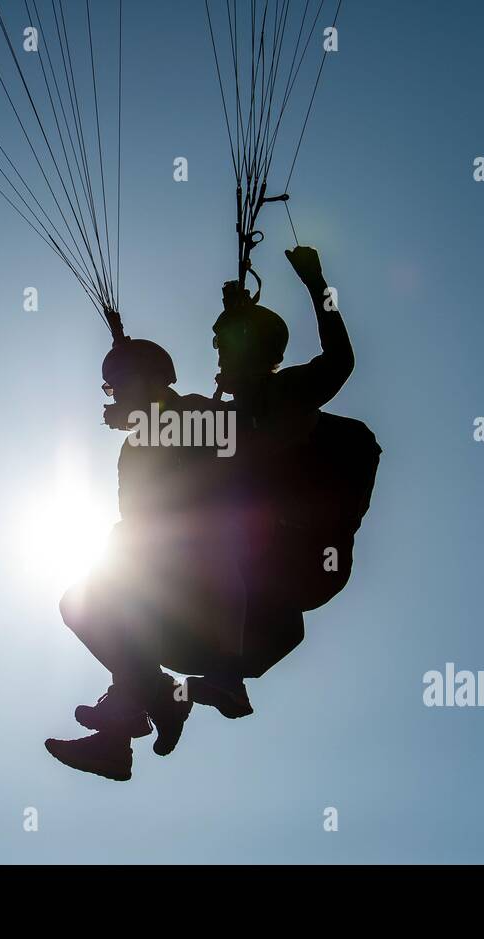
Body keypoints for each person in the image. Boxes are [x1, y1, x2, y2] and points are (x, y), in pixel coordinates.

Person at [45, 331, 245, 781]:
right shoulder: (134, 450)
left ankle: (196, 687)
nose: (112, 398)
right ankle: (127, 727)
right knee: (84, 599)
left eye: (118, 387)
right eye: (110, 390)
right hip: (167, 575)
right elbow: (137, 522)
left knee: (126, 580)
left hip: (220, 566)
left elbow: (231, 442)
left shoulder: (197, 412)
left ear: (149, 382)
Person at [188, 245, 366, 720]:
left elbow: (340, 360)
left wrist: (315, 282)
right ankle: (149, 695)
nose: (217, 354)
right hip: (277, 562)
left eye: (224, 345)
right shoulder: (226, 418)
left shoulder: (287, 393)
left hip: (302, 551)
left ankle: (225, 672)